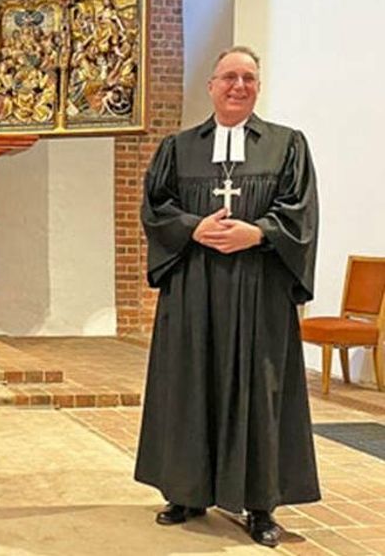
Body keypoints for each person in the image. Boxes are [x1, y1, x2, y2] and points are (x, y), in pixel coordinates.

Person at [134, 46, 320, 548]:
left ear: (258, 86)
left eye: (249, 78)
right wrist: (194, 229)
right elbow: (155, 208)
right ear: (211, 85)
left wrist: (257, 234)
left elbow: (300, 212)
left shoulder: (286, 145)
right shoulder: (179, 147)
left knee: (259, 389)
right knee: (190, 381)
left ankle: (260, 506)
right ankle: (187, 492)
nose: (239, 86)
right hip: (194, 287)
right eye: (230, 77)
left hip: (258, 291)